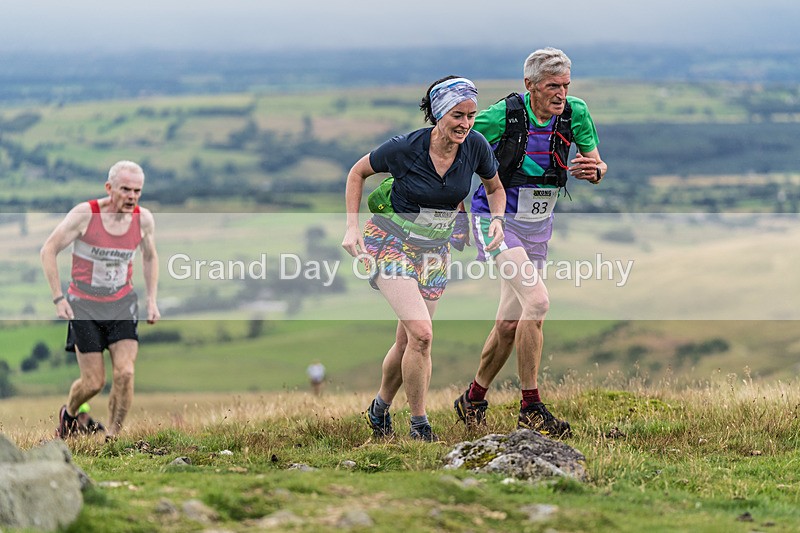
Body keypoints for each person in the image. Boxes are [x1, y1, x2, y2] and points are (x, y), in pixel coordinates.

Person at [453, 48, 607, 437]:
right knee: (537, 302)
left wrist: (597, 170)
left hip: (539, 226)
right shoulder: (500, 116)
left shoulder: (576, 113)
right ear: (530, 86)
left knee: (508, 323)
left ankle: (472, 400)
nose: (561, 94)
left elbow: (596, 161)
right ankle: (531, 408)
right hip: (496, 221)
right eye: (552, 86)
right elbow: (453, 151)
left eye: (566, 86)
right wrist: (454, 210)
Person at [342, 76, 507, 442]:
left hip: (435, 249)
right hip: (390, 240)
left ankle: (379, 409)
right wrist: (351, 228)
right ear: (437, 113)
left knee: (409, 343)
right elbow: (357, 173)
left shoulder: (476, 146)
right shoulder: (405, 148)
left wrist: (497, 220)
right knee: (422, 334)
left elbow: (495, 189)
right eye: (457, 115)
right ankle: (420, 426)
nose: (465, 123)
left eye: (471, 115)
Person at [41, 160, 160, 439]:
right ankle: (69, 414)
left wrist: (152, 300)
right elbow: (48, 250)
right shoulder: (86, 214)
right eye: (125, 189)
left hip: (121, 303)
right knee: (93, 382)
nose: (132, 196)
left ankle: (113, 437)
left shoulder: (143, 220)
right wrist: (59, 298)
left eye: (137, 191)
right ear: (109, 188)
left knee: (125, 373)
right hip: (84, 305)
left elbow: (150, 256)